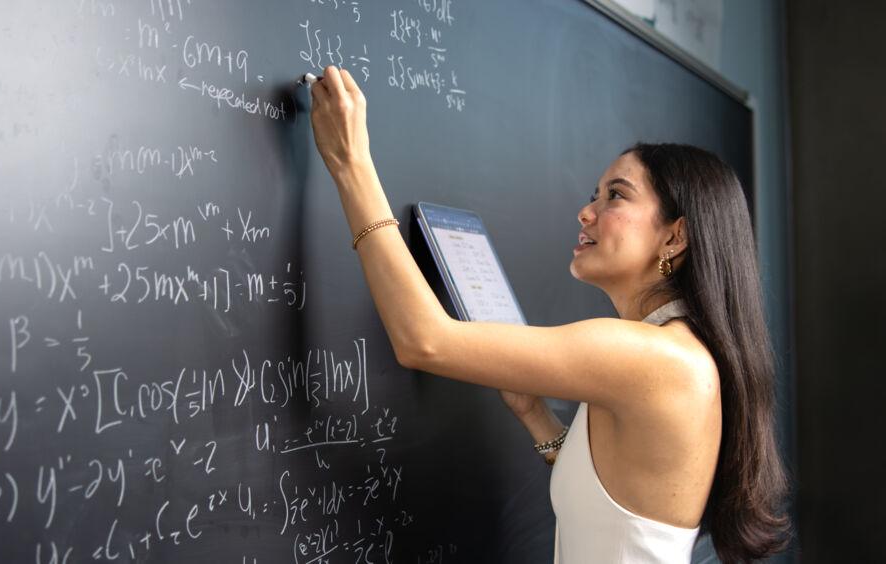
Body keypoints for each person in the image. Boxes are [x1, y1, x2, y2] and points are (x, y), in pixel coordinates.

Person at [307, 65, 791, 563]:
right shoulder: (668, 351)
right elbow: (620, 510)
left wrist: (352, 165)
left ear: (675, 236)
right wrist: (535, 416)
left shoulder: (653, 357)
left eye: (616, 195)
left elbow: (424, 340)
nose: (586, 212)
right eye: (593, 195)